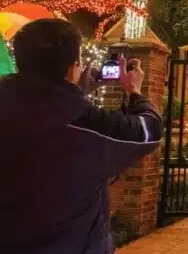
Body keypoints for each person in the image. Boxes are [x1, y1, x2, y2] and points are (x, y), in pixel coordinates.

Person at [0, 19, 162, 254]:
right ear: (72, 67)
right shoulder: (87, 124)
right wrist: (134, 91)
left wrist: (74, 88)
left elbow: (41, 102)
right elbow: (149, 130)